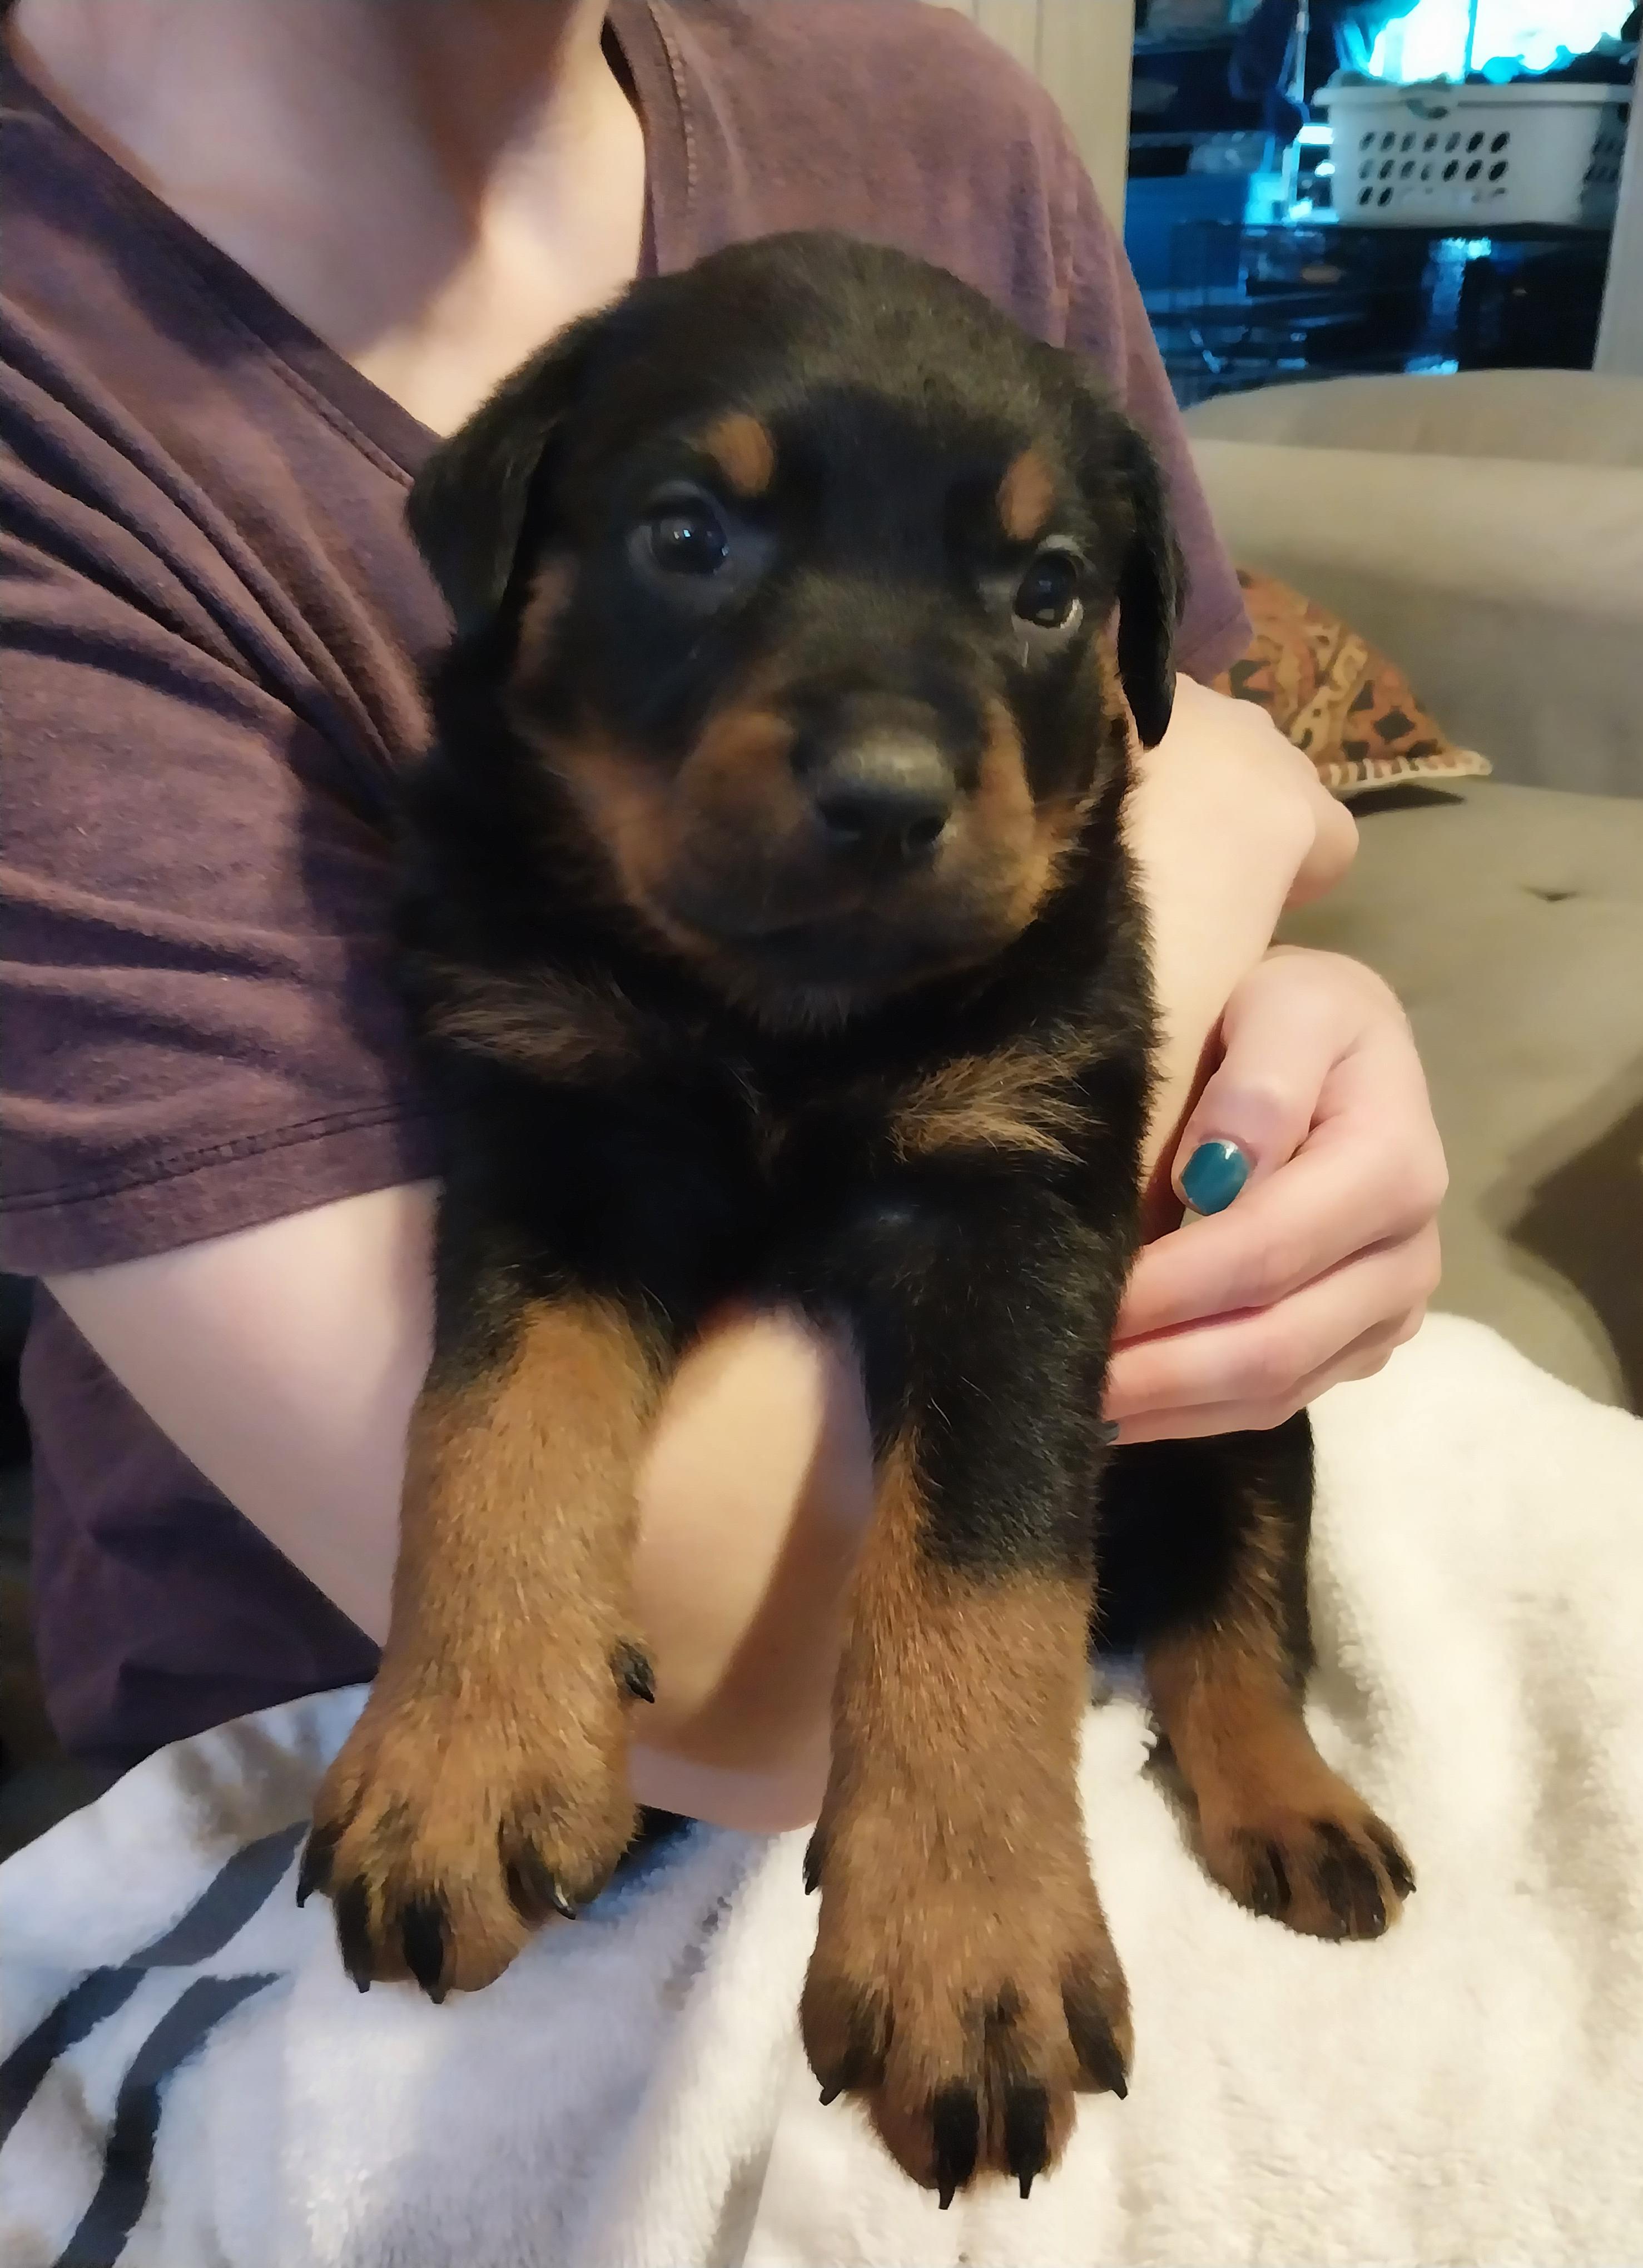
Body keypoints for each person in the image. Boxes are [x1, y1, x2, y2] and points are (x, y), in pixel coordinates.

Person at [0, 0, 1444, 1838]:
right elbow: (716, 1683)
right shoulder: (53, 398)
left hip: (1049, 1533)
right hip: (308, 1734)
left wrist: (1296, 1034)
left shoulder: (937, 116)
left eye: (1034, 588)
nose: (889, 759)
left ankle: (1242, 1709)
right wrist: (1211, 840)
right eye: (693, 543)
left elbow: (1169, 762)